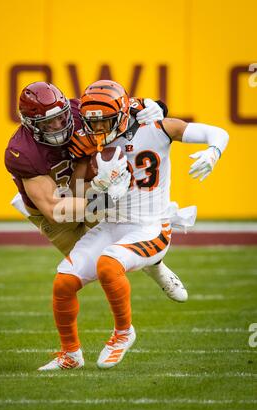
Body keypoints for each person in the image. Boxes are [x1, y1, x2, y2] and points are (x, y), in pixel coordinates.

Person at [38, 79, 229, 371]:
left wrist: (213, 151)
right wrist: (96, 185)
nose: (98, 130)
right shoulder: (88, 142)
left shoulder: (155, 127)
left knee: (107, 265)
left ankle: (123, 333)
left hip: (150, 226)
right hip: (112, 224)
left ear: (123, 114)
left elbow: (218, 132)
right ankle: (70, 354)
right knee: (63, 282)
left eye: (105, 122)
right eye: (93, 124)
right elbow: (78, 194)